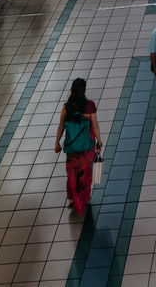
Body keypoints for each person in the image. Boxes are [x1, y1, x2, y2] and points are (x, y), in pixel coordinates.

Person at [54, 78, 101, 214]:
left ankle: (73, 198)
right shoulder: (90, 106)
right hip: (86, 148)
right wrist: (99, 143)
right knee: (85, 174)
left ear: (72, 91)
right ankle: (83, 200)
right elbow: (95, 127)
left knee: (72, 174)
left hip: (72, 149)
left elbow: (61, 127)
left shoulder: (66, 108)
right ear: (84, 90)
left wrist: (57, 143)